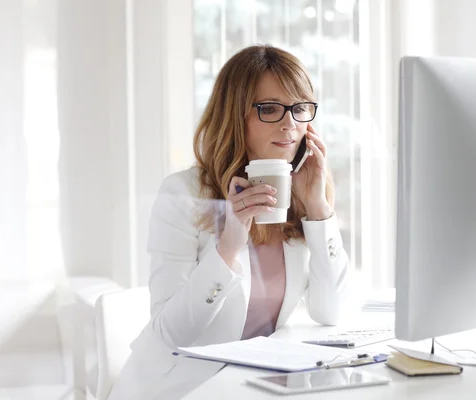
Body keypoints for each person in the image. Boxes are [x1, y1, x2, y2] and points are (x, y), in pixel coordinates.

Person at [108, 45, 352, 399]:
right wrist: (229, 245)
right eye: (269, 109)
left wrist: (318, 209)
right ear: (234, 115)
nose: (290, 124)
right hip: (178, 388)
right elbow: (170, 335)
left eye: (300, 109)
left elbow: (332, 312)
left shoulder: (300, 192)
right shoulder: (183, 194)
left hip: (252, 387)